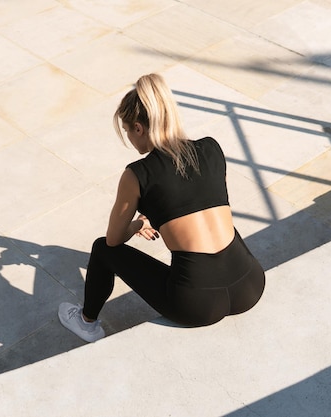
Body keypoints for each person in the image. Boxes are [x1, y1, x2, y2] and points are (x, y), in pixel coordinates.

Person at [58, 73, 265, 342]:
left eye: (127, 131)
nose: (130, 139)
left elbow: (114, 239)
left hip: (197, 305)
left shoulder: (137, 174)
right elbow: (199, 201)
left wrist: (138, 224)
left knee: (101, 249)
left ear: (138, 128)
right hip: (250, 284)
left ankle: (87, 323)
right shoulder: (211, 148)